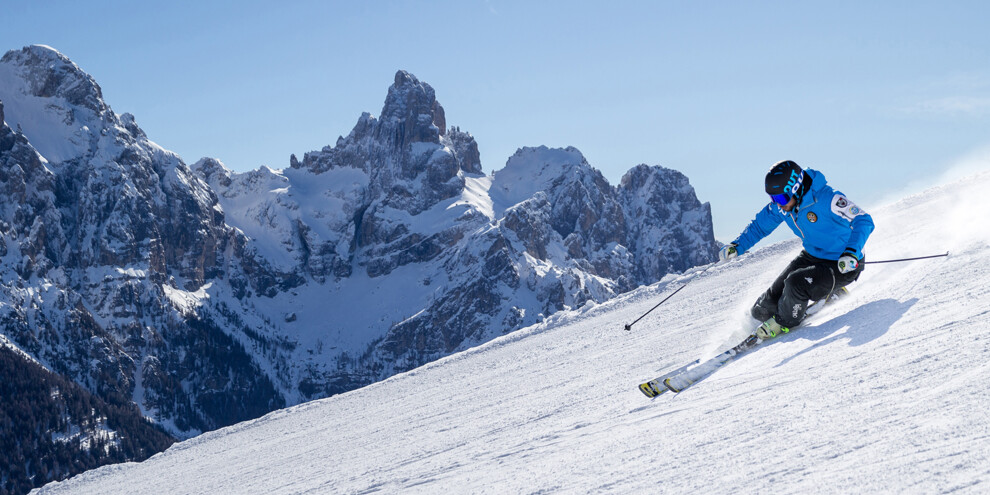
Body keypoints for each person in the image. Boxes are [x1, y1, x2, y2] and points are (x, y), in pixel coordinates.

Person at [719, 160, 874, 340]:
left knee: (795, 284)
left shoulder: (828, 199)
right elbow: (759, 227)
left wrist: (851, 253)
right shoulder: (783, 208)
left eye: (781, 198)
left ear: (797, 188)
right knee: (763, 308)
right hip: (812, 257)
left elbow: (864, 220)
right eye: (773, 198)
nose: (778, 204)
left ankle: (785, 323)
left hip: (842, 264)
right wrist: (737, 246)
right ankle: (826, 294)